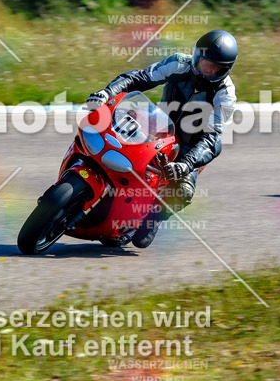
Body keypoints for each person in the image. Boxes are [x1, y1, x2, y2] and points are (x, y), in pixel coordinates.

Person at [86, 30, 238, 247]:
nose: (209, 70)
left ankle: (154, 216)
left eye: (217, 68)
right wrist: (106, 93)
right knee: (115, 131)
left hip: (189, 148)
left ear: (226, 69)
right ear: (197, 56)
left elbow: (213, 138)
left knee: (183, 191)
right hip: (158, 124)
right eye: (206, 63)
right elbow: (139, 78)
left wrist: (186, 164)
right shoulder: (179, 63)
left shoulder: (226, 94)